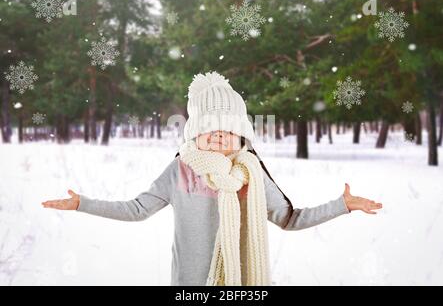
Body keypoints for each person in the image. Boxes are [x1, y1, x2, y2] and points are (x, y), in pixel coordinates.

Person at [42, 71, 382, 286]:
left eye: (228, 130)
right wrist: (80, 204)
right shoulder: (180, 171)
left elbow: (290, 219)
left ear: (241, 137)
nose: (219, 136)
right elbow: (136, 210)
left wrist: (343, 205)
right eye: (209, 129)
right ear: (195, 135)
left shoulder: (252, 174)